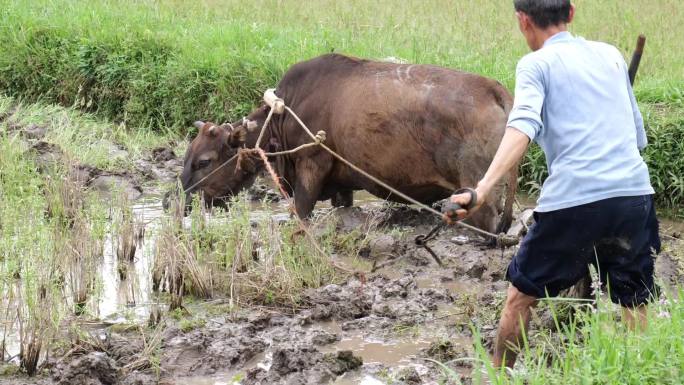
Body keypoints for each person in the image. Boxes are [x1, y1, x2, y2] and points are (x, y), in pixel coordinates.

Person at [445, 0, 660, 368]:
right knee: (634, 299)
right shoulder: (610, 55)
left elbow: (522, 126)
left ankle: (498, 376)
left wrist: (482, 190)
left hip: (575, 201)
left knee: (521, 296)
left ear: (522, 21)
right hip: (634, 195)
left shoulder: (535, 63)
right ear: (571, 13)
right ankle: (637, 373)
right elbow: (637, 138)